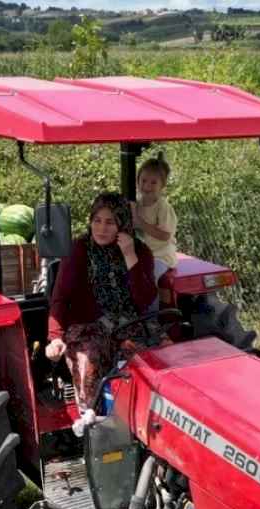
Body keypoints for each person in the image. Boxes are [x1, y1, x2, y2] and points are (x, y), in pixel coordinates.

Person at [46, 192, 160, 411]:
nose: (101, 228)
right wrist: (55, 338)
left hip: (128, 322)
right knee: (90, 359)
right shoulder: (79, 250)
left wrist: (129, 256)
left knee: (156, 356)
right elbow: (60, 297)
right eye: (96, 221)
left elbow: (145, 299)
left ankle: (148, 415)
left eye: (110, 222)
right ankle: (93, 421)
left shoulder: (141, 251)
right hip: (87, 325)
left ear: (122, 225)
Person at [133, 157, 178, 288]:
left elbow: (165, 235)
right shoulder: (138, 205)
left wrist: (140, 222)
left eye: (153, 183)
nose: (147, 186)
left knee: (148, 279)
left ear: (162, 185)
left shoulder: (162, 207)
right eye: (144, 181)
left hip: (161, 257)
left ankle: (152, 308)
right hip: (143, 255)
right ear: (138, 181)